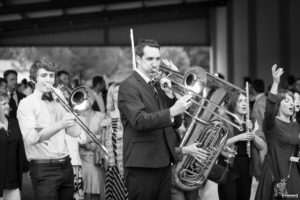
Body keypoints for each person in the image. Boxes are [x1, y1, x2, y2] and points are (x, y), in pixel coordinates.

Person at [118, 39, 207, 200]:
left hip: (163, 163)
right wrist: (172, 111)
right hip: (142, 164)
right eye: (150, 59)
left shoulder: (159, 85)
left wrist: (171, 97)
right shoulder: (128, 86)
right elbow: (140, 121)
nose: (155, 63)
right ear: (138, 59)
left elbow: (176, 123)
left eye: (158, 59)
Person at [17, 57, 82, 200]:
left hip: (66, 165)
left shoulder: (59, 101)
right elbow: (31, 138)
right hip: (43, 169)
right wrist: (61, 124)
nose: (49, 79)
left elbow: (75, 132)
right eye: (44, 75)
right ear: (34, 79)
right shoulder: (26, 104)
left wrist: (70, 107)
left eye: (51, 76)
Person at [255, 65, 300, 200]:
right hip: (274, 173)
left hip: (292, 173)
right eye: (287, 101)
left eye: (292, 100)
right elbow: (269, 108)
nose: (291, 103)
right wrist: (275, 82)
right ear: (279, 105)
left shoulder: (295, 125)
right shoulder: (271, 124)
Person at [217, 90, 265, 200]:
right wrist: (239, 137)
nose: (244, 104)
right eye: (240, 101)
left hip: (246, 166)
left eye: (245, 101)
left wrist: (252, 134)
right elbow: (217, 144)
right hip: (228, 166)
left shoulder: (252, 122)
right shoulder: (224, 121)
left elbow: (262, 146)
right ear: (233, 104)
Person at [0, 93, 29, 200]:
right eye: (4, 103)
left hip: (13, 177)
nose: (8, 106)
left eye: (8, 103)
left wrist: (26, 167)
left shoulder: (13, 121)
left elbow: (20, 145)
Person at [103, 83, 128, 200]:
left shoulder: (128, 111)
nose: (118, 94)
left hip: (124, 156)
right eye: (116, 92)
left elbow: (137, 132)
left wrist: (124, 134)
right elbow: (103, 137)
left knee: (125, 190)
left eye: (120, 91)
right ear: (111, 95)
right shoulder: (108, 113)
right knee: (113, 191)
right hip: (111, 157)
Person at [78, 101, 106, 200]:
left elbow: (105, 136)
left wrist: (90, 141)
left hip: (95, 157)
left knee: (96, 190)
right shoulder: (76, 117)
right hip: (80, 158)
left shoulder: (101, 116)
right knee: (81, 192)